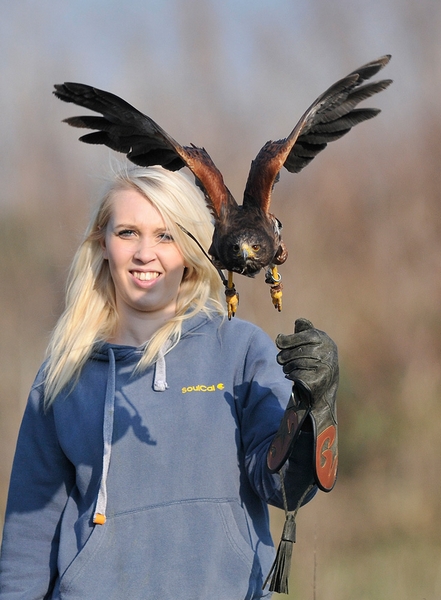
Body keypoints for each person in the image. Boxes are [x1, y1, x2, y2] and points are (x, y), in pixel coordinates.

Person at [0, 165, 338, 599]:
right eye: (127, 233)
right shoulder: (65, 373)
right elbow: (27, 540)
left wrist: (314, 406)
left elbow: (284, 486)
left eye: (165, 235)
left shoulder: (238, 350)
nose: (145, 253)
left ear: (192, 249)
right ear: (102, 244)